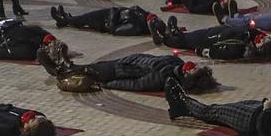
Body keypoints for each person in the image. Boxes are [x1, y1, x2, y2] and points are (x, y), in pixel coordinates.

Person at [38, 39, 217, 93]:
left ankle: (59, 68)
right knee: (91, 66)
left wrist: (110, 85)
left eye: (195, 70)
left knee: (85, 69)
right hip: (124, 62)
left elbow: (137, 85)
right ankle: (57, 68)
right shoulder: (177, 63)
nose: (194, 66)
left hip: (117, 72)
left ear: (188, 76)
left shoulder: (165, 77)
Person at [49, 3, 156, 35]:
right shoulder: (141, 14)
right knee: (84, 17)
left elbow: (115, 30)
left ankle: (64, 20)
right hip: (109, 13)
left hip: (105, 21)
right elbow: (133, 7)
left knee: (85, 20)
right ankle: (67, 18)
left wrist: (112, 18)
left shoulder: (134, 27)